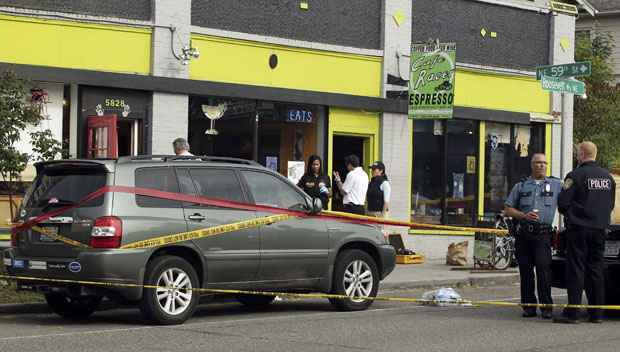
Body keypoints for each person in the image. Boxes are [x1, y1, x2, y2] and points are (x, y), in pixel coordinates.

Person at [554, 142, 616, 324]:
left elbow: (563, 203)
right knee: (596, 269)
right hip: (600, 230)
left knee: (576, 269)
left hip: (579, 229)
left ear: (581, 154)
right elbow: (610, 205)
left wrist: (574, 216)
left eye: (577, 154)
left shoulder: (575, 175)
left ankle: (573, 313)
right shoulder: (608, 178)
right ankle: (596, 313)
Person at [504, 153, 561, 320]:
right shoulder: (521, 186)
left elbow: (570, 198)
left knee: (544, 272)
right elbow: (508, 209)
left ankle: (546, 307)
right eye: (538, 163)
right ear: (532, 165)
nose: (542, 165)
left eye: (544, 163)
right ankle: (528, 306)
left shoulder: (556, 184)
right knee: (526, 272)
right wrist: (523, 215)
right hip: (524, 235)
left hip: (543, 236)